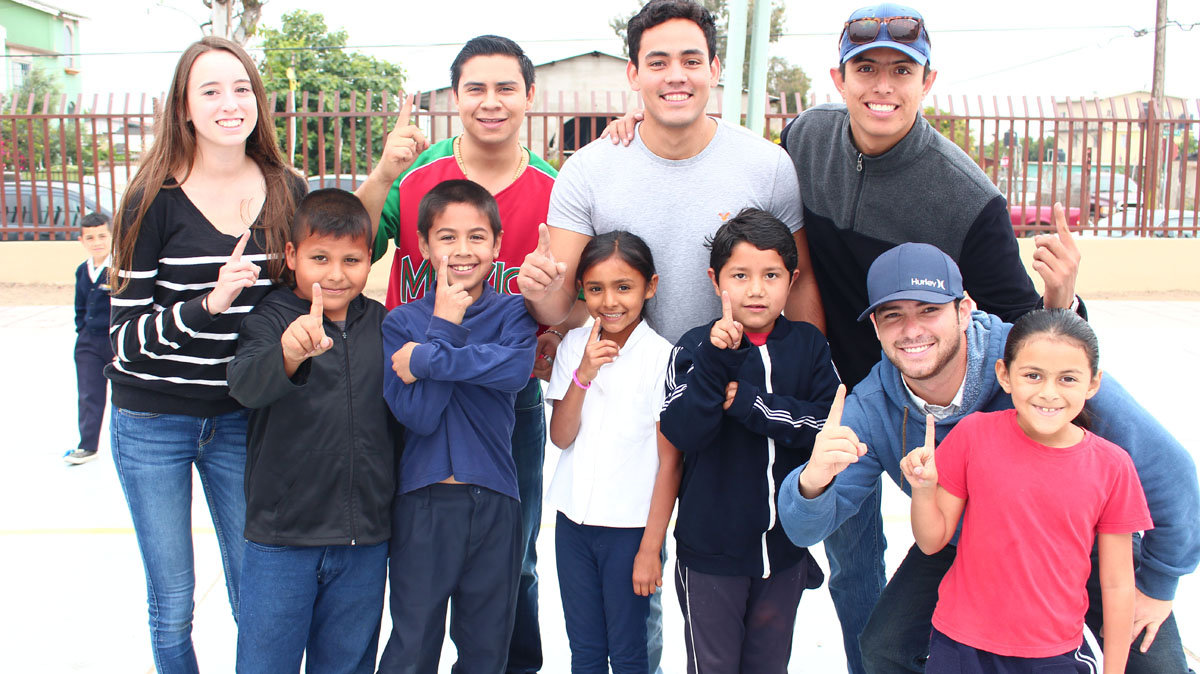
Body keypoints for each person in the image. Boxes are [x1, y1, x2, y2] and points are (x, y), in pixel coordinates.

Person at [774, 6, 1084, 669]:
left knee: (968, 558)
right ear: (838, 76)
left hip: (946, 410)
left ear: (927, 81)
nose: (882, 86)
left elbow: (1028, 335)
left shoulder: (966, 197)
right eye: (866, 69)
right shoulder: (804, 136)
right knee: (852, 563)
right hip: (850, 402)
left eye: (901, 70)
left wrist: (1065, 303)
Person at [777, 243, 1200, 674]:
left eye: (928, 310)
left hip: (1076, 536)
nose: (911, 329)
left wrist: (1160, 584)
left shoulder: (1034, 361)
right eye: (893, 316)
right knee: (885, 647)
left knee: (1155, 665)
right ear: (877, 329)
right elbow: (802, 527)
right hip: (963, 538)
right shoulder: (870, 408)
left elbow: (1171, 471)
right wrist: (812, 481)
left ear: (964, 311)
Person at [355, 36, 563, 671]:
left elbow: (573, 293)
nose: (491, 102)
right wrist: (385, 172)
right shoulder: (419, 178)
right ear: (455, 99)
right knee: (410, 563)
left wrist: (555, 325)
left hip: (506, 407)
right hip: (412, 396)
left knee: (513, 556)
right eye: (476, 88)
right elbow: (352, 240)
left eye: (506, 87)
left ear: (530, 96)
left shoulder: (556, 188)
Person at [105, 36, 305, 673]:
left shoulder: (287, 189)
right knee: (174, 600)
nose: (230, 103)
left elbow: (306, 298)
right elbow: (122, 345)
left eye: (241, 87)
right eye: (210, 91)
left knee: (261, 594)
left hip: (245, 418)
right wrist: (208, 305)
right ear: (184, 109)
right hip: (152, 421)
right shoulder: (151, 200)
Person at [903, 309, 1151, 674]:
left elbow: (1116, 585)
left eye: (1067, 379)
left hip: (1053, 654)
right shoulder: (974, 435)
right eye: (1033, 376)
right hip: (959, 645)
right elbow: (931, 541)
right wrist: (924, 490)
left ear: (1093, 383)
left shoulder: (1112, 466)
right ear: (1005, 375)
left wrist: (1114, 669)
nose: (1048, 393)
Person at [658, 209, 839, 672]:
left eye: (771, 275)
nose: (756, 289)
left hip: (784, 552)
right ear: (715, 279)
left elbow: (825, 426)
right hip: (709, 554)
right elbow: (683, 431)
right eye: (740, 275)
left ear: (792, 280)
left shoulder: (810, 347)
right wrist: (718, 362)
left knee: (769, 665)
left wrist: (751, 405)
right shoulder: (693, 347)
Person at [226, 189, 396, 674]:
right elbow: (244, 385)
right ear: (292, 256)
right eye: (319, 258)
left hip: (363, 543)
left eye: (352, 260)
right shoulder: (270, 318)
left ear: (370, 260)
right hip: (281, 541)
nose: (336, 274)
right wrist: (290, 355)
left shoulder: (384, 325)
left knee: (347, 665)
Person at [378, 180, 537, 673]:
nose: (462, 250)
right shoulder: (401, 323)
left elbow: (514, 371)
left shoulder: (514, 311)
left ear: (496, 243)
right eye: (447, 237)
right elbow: (420, 416)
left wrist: (428, 357)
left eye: (476, 236)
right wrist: (443, 324)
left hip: (496, 503)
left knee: (487, 652)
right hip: (425, 504)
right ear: (423, 245)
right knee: (413, 646)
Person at [545, 231, 676, 673]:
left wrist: (650, 548)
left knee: (628, 653)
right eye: (596, 288)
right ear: (582, 288)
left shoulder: (663, 358)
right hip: (573, 526)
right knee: (584, 651)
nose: (610, 301)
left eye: (624, 287)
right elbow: (560, 437)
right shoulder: (572, 347)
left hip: (630, 532)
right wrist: (582, 374)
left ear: (650, 287)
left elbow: (670, 463)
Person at [65, 212, 113, 465]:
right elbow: (80, 308)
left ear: (112, 236)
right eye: (90, 237)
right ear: (82, 240)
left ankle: (124, 443)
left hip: (115, 343)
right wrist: (82, 332)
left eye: (102, 236)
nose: (97, 242)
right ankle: (88, 445)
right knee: (89, 393)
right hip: (88, 343)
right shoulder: (82, 271)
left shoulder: (120, 268)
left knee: (123, 396)